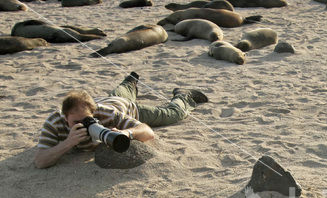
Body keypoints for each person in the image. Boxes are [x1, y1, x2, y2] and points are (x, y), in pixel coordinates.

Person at [34, 72, 208, 168]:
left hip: (124, 107)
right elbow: (40, 161)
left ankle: (183, 96)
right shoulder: (54, 123)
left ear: (94, 114)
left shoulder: (106, 115)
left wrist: (127, 132)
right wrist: (67, 143)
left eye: (87, 120)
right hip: (108, 101)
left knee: (170, 115)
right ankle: (129, 82)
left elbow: (148, 132)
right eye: (75, 122)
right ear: (65, 117)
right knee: (117, 95)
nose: (83, 125)